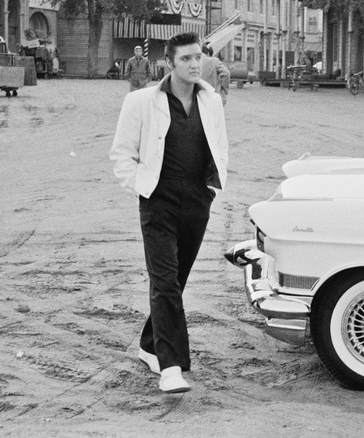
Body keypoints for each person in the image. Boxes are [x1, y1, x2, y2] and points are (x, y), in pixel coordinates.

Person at [110, 32, 228, 394]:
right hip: (157, 200)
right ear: (169, 63)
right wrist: (144, 189)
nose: (195, 65)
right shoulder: (141, 101)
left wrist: (209, 190)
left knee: (176, 280)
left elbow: (219, 147)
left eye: (198, 59)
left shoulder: (212, 101)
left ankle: (150, 344)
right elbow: (121, 154)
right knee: (163, 282)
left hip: (196, 198)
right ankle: (171, 366)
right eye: (186, 60)